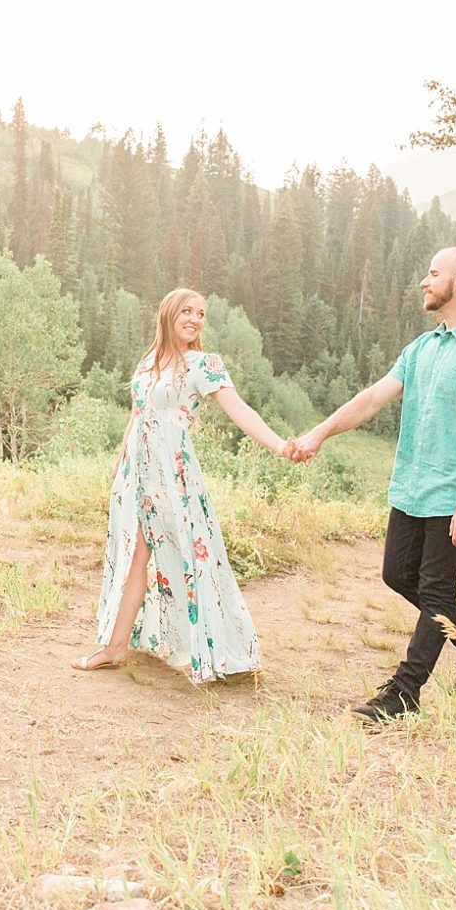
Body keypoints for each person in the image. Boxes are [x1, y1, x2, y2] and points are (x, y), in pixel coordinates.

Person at [288, 246, 456, 722]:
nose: (424, 281)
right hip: (413, 486)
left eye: (434, 273)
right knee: (397, 575)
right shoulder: (423, 347)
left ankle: (404, 693)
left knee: (435, 591)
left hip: (453, 494)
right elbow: (372, 398)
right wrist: (318, 434)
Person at [72, 287, 293, 684]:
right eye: (187, 311)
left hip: (173, 475)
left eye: (201, 314)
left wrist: (278, 444)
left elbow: (238, 408)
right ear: (169, 314)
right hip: (138, 473)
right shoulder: (150, 361)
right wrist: (120, 464)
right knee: (134, 553)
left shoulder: (203, 364)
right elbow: (137, 414)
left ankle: (216, 649)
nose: (195, 319)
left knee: (192, 554)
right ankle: (115, 648)